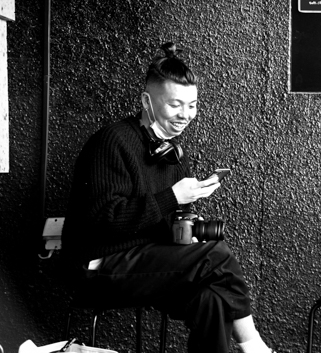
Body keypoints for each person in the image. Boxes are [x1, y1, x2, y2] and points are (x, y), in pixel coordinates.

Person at [62, 42, 273, 353]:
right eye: (175, 105)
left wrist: (188, 225)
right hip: (98, 266)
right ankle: (253, 345)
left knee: (212, 298)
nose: (186, 115)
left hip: (149, 262)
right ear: (146, 101)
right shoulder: (113, 141)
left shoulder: (173, 155)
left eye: (192, 105)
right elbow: (103, 219)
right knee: (215, 255)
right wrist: (172, 197)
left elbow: (163, 221)